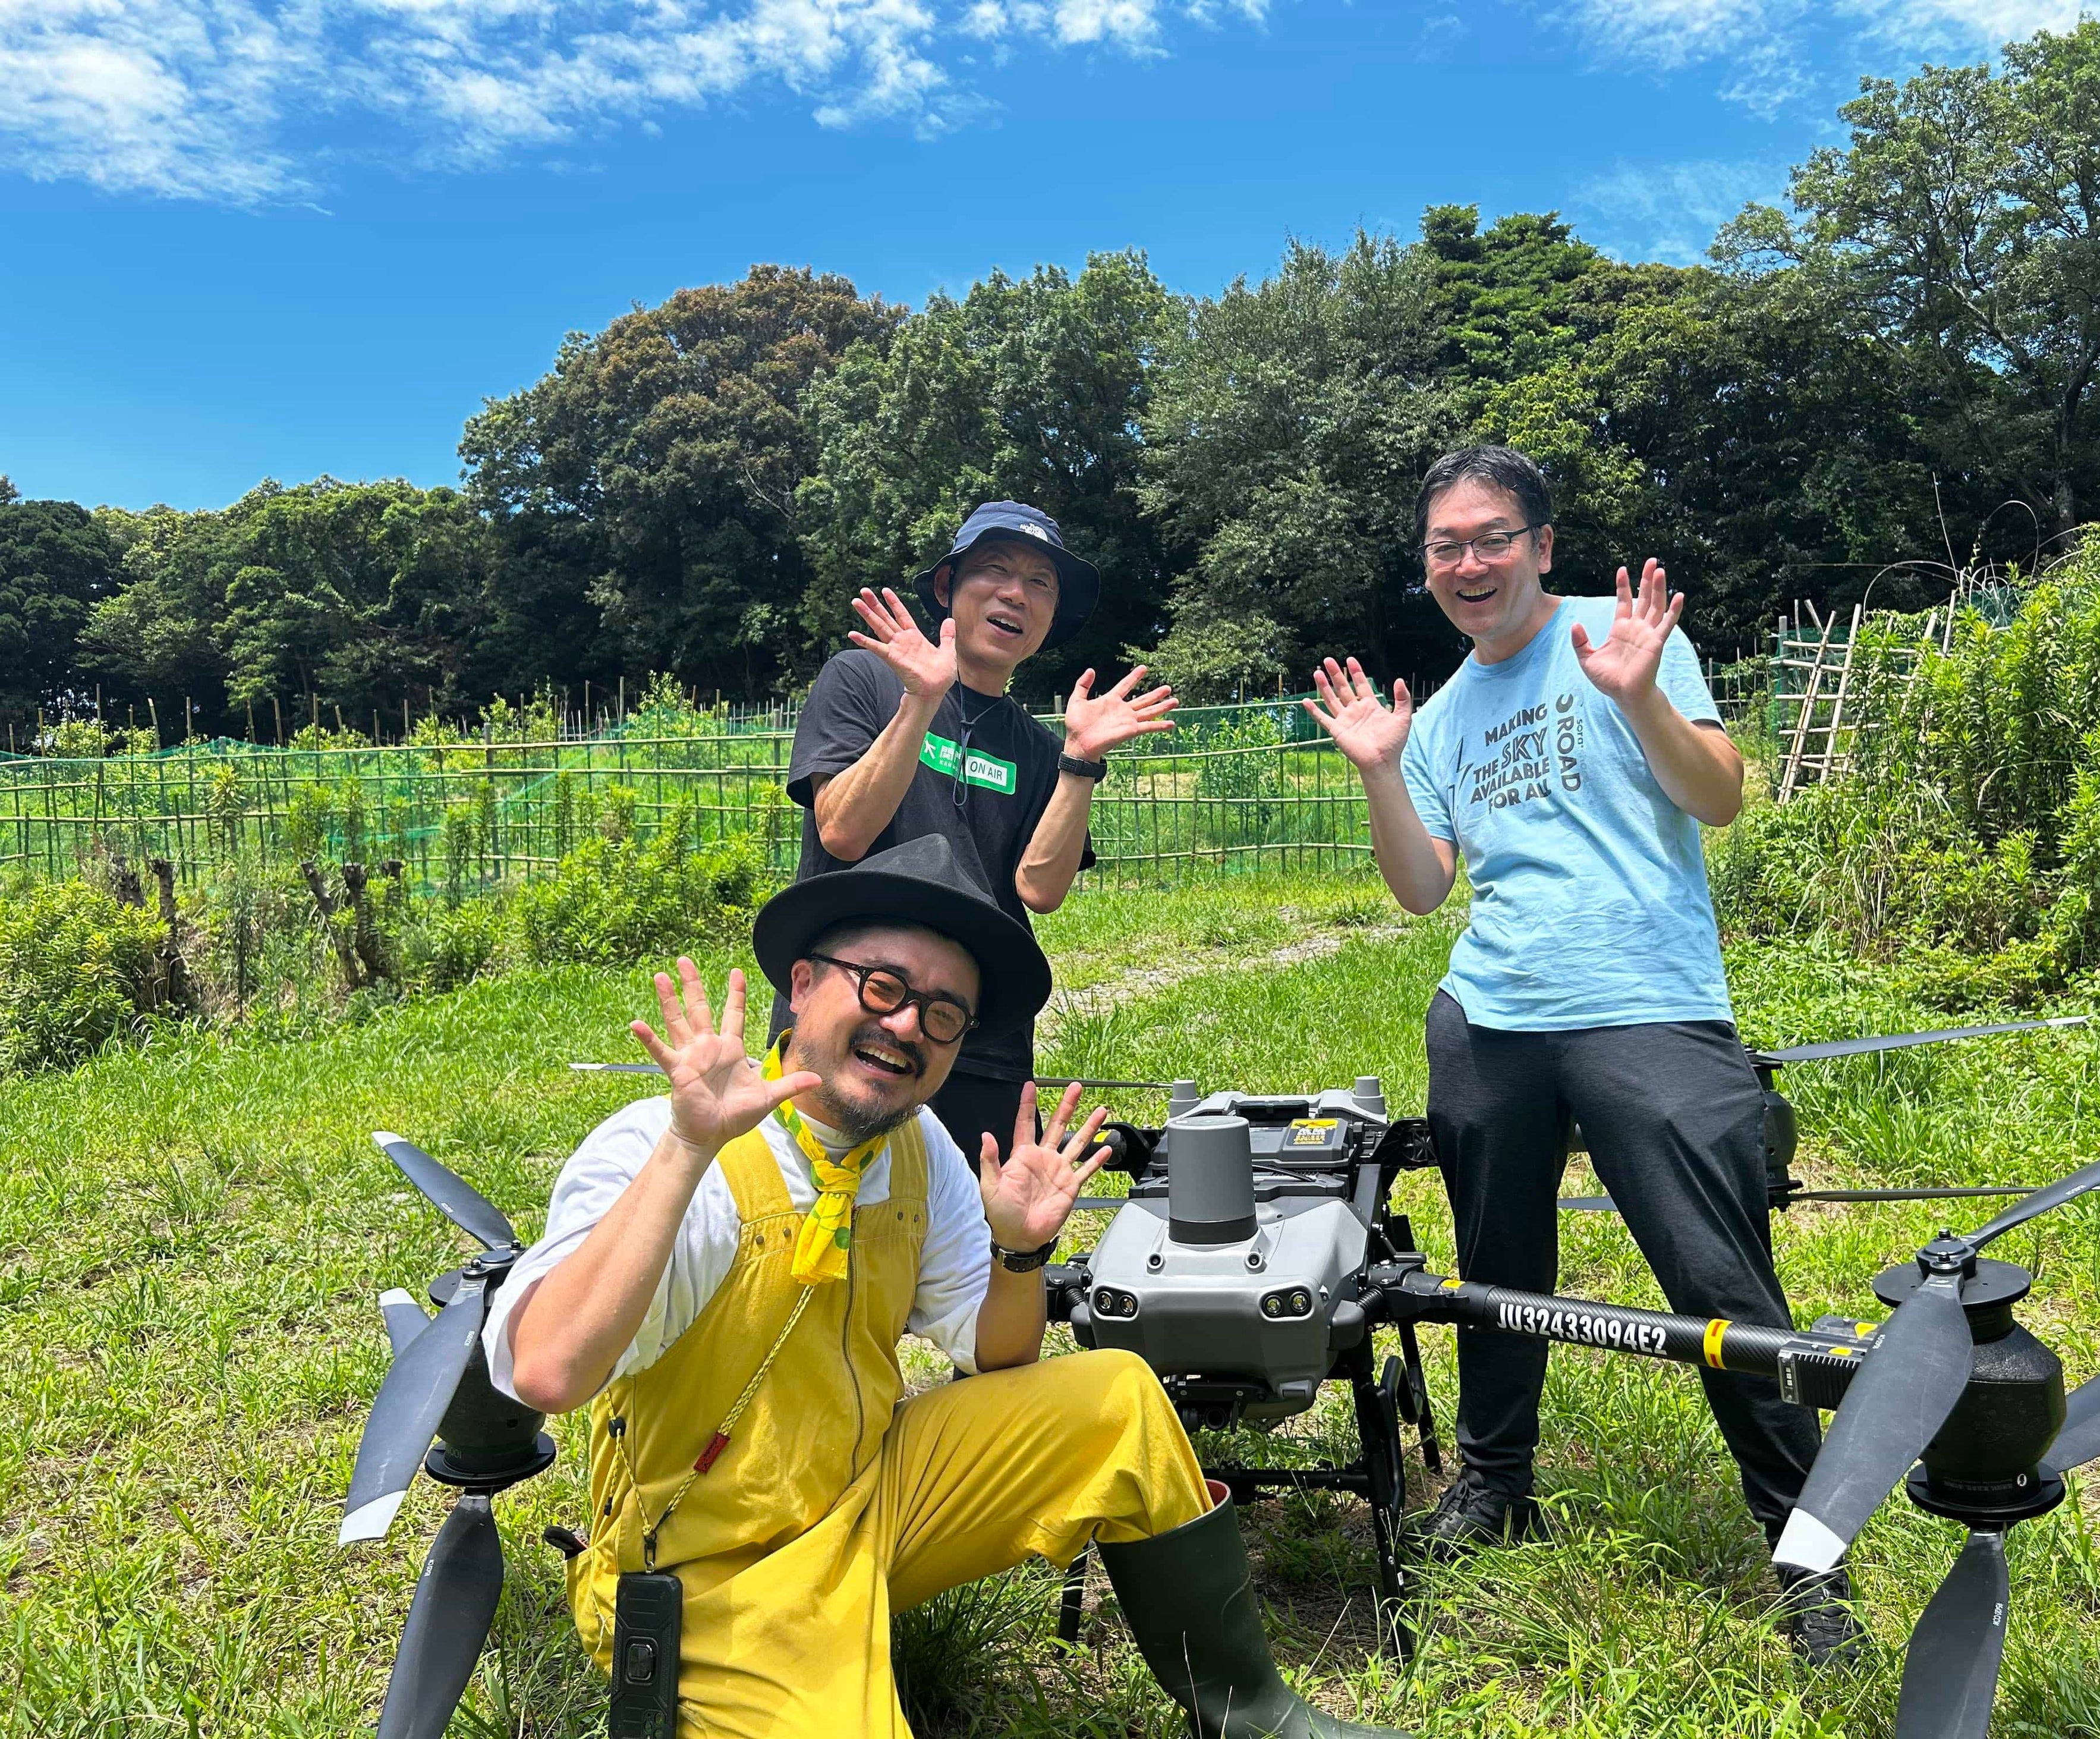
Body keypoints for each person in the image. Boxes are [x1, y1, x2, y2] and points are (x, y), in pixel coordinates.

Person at [484, 834, 1403, 1738]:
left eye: (942, 1014)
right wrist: (689, 1146)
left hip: (873, 1493)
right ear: (802, 985)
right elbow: (548, 1371)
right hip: (718, 1567)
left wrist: (1019, 1252)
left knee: (1119, 1398)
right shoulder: (664, 1149)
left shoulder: (916, 1148)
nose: (905, 1027)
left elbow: (997, 1357)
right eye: (883, 987)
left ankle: (1253, 1711)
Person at [1303, 445, 1862, 1664]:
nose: (1470, 563)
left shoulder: (1626, 638)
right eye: (1446, 546)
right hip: (1491, 1013)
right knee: (1496, 1265)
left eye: (1492, 537)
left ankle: (1807, 1552)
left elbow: (1721, 798)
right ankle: (1498, 1481)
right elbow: (1422, 889)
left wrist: (1641, 697)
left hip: (1647, 1001)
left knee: (1720, 1279)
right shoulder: (1440, 717)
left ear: (1541, 545)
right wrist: (1384, 772)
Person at [783, 501, 1176, 1162]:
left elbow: (1039, 890)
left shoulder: (1039, 747)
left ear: (1049, 617)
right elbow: (842, 831)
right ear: (948, 587)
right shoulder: (863, 680)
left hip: (974, 1031)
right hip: (852, 1012)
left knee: (973, 1217)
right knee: (818, 1205)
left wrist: (1081, 761)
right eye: (995, 570)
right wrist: (922, 701)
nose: (1016, 594)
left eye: (1040, 583)